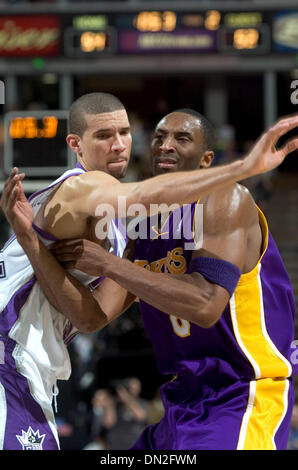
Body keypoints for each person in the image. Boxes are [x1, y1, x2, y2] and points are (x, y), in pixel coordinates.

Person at [1, 93, 288, 450]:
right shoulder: (141, 225)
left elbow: (206, 305)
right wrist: (33, 245)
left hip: (241, 393)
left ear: (206, 160)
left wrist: (109, 264)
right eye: (158, 137)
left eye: (181, 139)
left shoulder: (226, 198)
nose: (165, 145)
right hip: (183, 397)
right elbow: (93, 317)